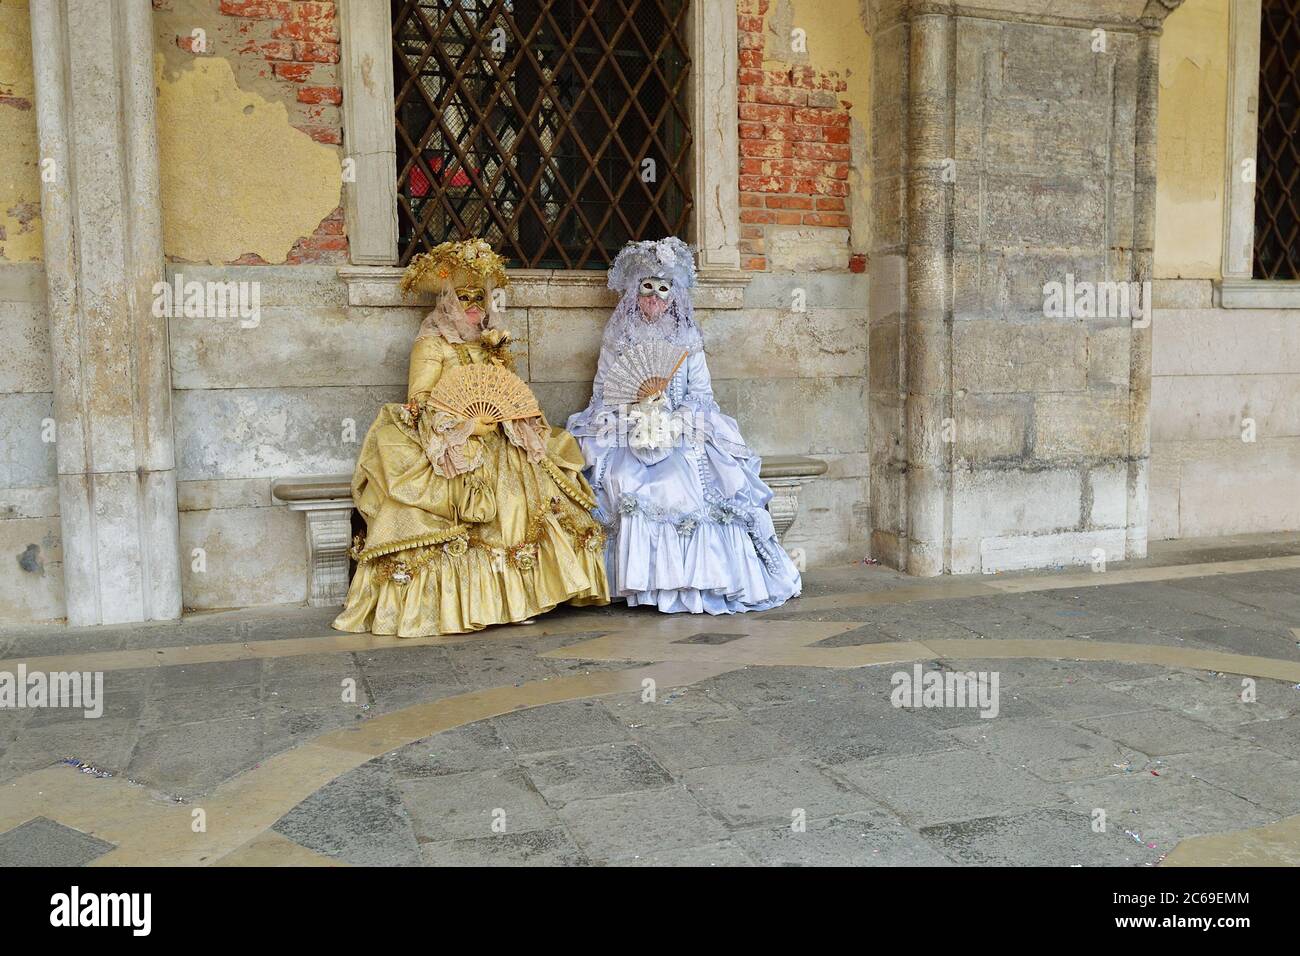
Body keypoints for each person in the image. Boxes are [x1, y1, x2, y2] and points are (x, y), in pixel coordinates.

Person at [333, 239, 609, 637]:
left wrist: (503, 414)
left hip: (501, 437)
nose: (474, 306)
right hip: (454, 442)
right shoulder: (431, 343)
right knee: (488, 504)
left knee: (524, 493)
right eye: (464, 299)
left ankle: (524, 597)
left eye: (478, 298)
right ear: (448, 303)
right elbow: (420, 401)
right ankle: (485, 604)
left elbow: (506, 391)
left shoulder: (489, 342)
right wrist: (466, 425)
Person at [566, 237, 801, 614]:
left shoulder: (688, 340)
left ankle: (693, 580)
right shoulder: (617, 339)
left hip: (680, 429)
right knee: (620, 480)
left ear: (674, 295)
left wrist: (672, 419)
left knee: (690, 482)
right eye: (647, 289)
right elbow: (605, 392)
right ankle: (638, 584)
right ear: (634, 291)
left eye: (663, 290)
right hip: (629, 428)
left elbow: (702, 395)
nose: (655, 298)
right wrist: (635, 413)